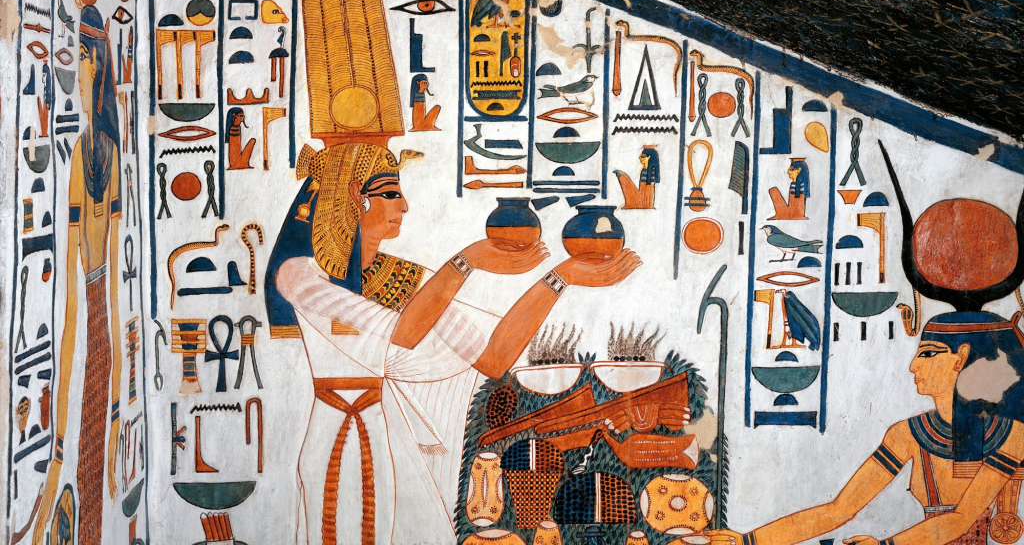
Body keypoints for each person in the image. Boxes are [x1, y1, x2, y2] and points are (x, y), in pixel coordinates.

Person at [266, 141, 640, 545]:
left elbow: (493, 359)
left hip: (384, 432)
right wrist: (467, 261)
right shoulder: (298, 274)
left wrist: (560, 277)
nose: (404, 206)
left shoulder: (405, 278)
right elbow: (404, 334)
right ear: (355, 195)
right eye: (390, 193)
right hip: (334, 433)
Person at [710, 311, 1024, 545]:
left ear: (961, 358)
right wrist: (748, 540)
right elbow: (840, 509)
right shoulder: (907, 434)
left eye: (927, 353)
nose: (913, 365)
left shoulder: (1012, 435)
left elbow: (961, 519)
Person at [34, 6, 122, 545]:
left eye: (81, 61)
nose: (77, 73)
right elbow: (78, 280)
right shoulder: (91, 154)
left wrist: (115, 412)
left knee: (90, 469)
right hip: (89, 314)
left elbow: (100, 281)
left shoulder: (102, 156)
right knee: (85, 467)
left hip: (96, 317)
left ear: (96, 65)